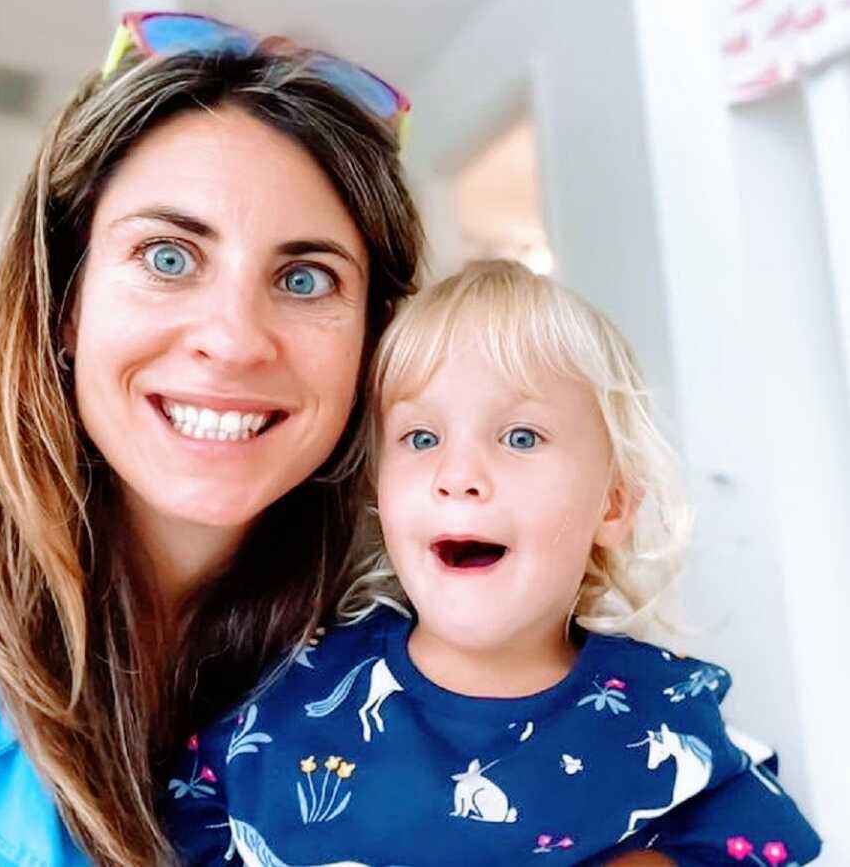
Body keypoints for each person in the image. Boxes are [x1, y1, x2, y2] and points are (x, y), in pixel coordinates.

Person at [0, 12, 423, 866]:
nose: (235, 338)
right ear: (65, 303)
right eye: (168, 257)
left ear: (372, 342)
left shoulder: (430, 642)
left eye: (306, 278)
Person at [164, 260, 821, 866]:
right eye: (422, 438)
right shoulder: (286, 698)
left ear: (613, 504)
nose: (458, 475)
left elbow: (761, 832)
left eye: (520, 436)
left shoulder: (662, 707)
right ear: (379, 498)